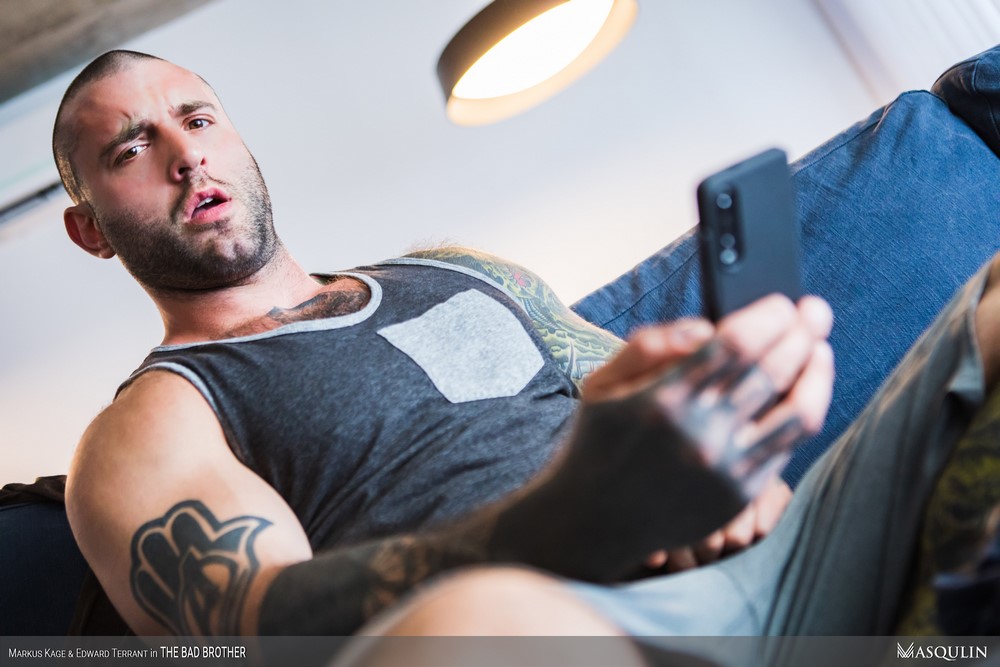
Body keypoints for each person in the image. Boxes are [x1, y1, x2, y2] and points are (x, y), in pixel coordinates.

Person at [54, 49, 998, 658]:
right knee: (467, 626)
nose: (186, 155)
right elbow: (261, 627)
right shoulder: (150, 423)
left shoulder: (456, 269)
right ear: (89, 231)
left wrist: (733, 435)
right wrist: (572, 517)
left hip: (790, 563)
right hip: (569, 627)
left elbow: (632, 393)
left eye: (199, 118)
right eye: (132, 149)